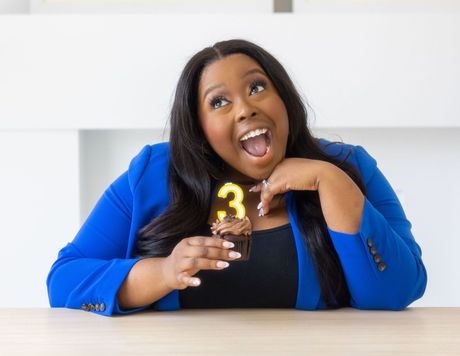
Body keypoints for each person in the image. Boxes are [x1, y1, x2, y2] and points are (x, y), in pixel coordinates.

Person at [46, 39, 427, 316]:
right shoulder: (152, 174)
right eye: (219, 102)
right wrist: (163, 273)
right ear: (199, 127)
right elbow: (63, 281)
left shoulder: (348, 167)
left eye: (257, 87)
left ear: (284, 99)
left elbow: (396, 292)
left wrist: (331, 183)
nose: (245, 109)